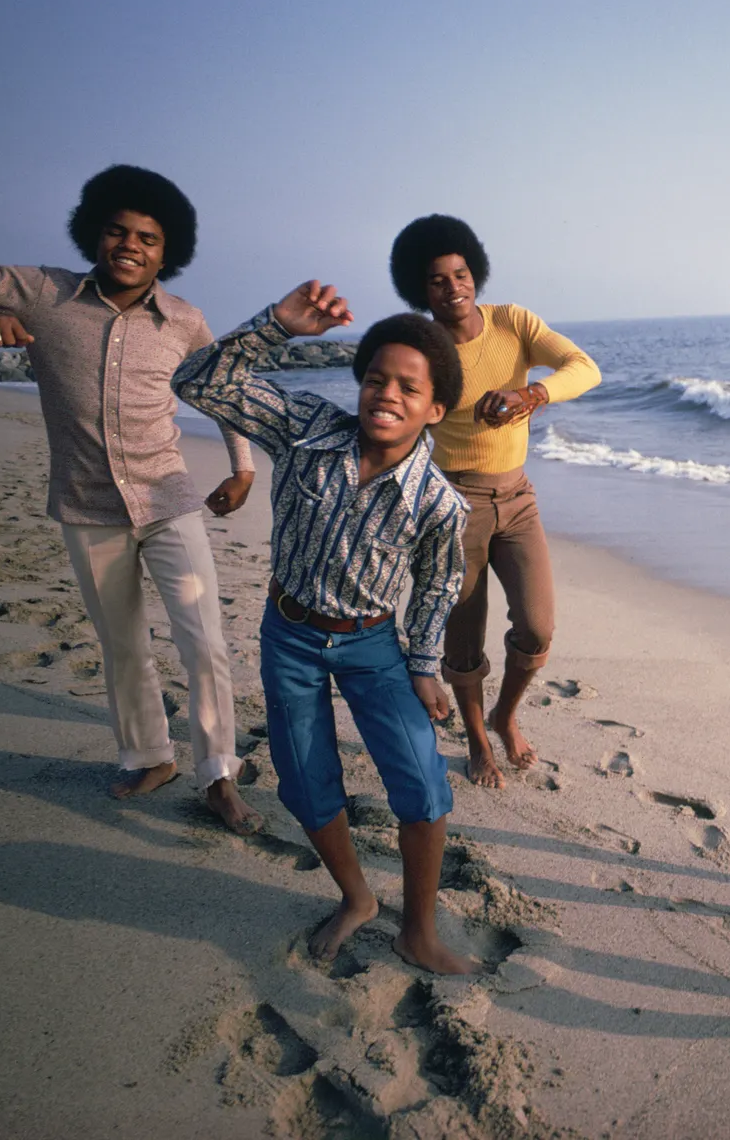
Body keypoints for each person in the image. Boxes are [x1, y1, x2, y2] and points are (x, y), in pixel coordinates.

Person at [0, 165, 261, 833]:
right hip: (87, 504)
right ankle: (150, 757)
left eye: (147, 238)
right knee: (121, 642)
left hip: (170, 498)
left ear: (165, 252)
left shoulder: (184, 320)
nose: (130, 245)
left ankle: (218, 775)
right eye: (117, 232)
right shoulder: (41, 291)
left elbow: (224, 389)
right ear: (95, 236)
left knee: (203, 639)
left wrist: (242, 468)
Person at [172, 283, 475, 973]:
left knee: (422, 786)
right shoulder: (305, 430)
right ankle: (357, 897)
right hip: (290, 634)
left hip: (374, 644)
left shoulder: (439, 502)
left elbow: (438, 583)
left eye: (407, 386)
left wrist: (424, 661)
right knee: (305, 778)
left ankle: (419, 930)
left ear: (436, 409)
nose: (386, 395)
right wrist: (277, 326)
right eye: (375, 379)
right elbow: (197, 379)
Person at [388, 215, 601, 789]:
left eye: (460, 273)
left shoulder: (513, 322)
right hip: (454, 504)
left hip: (518, 497)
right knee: (463, 634)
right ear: (420, 288)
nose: (453, 286)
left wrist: (532, 392)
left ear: (474, 273)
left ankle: (506, 714)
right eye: (437, 280)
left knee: (537, 627)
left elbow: (585, 368)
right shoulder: (422, 346)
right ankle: (479, 739)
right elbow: (401, 414)